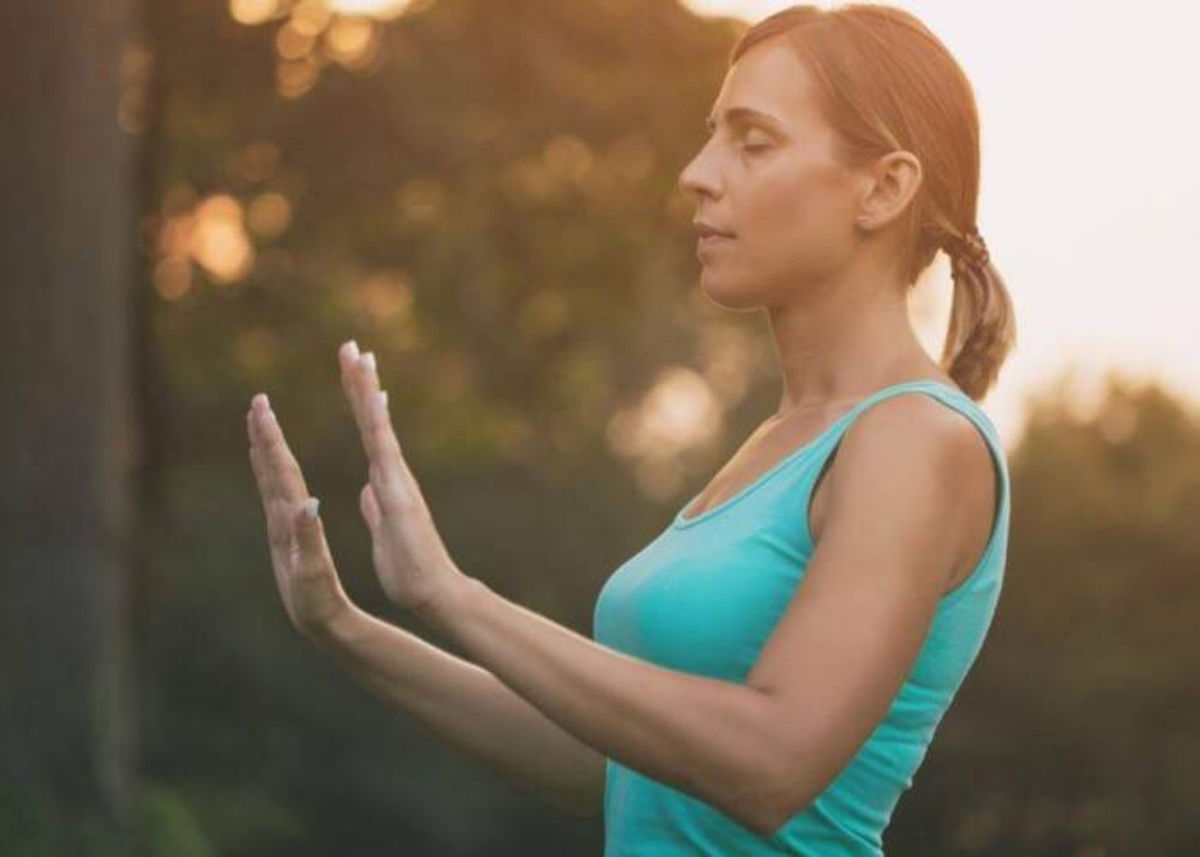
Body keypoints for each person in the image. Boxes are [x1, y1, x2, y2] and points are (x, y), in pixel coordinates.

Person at [246, 3, 1016, 855]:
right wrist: (346, 627)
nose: (696, 173)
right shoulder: (777, 443)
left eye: (753, 142)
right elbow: (617, 767)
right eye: (712, 137)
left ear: (883, 188)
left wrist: (455, 595)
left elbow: (772, 762)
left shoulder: (916, 438)